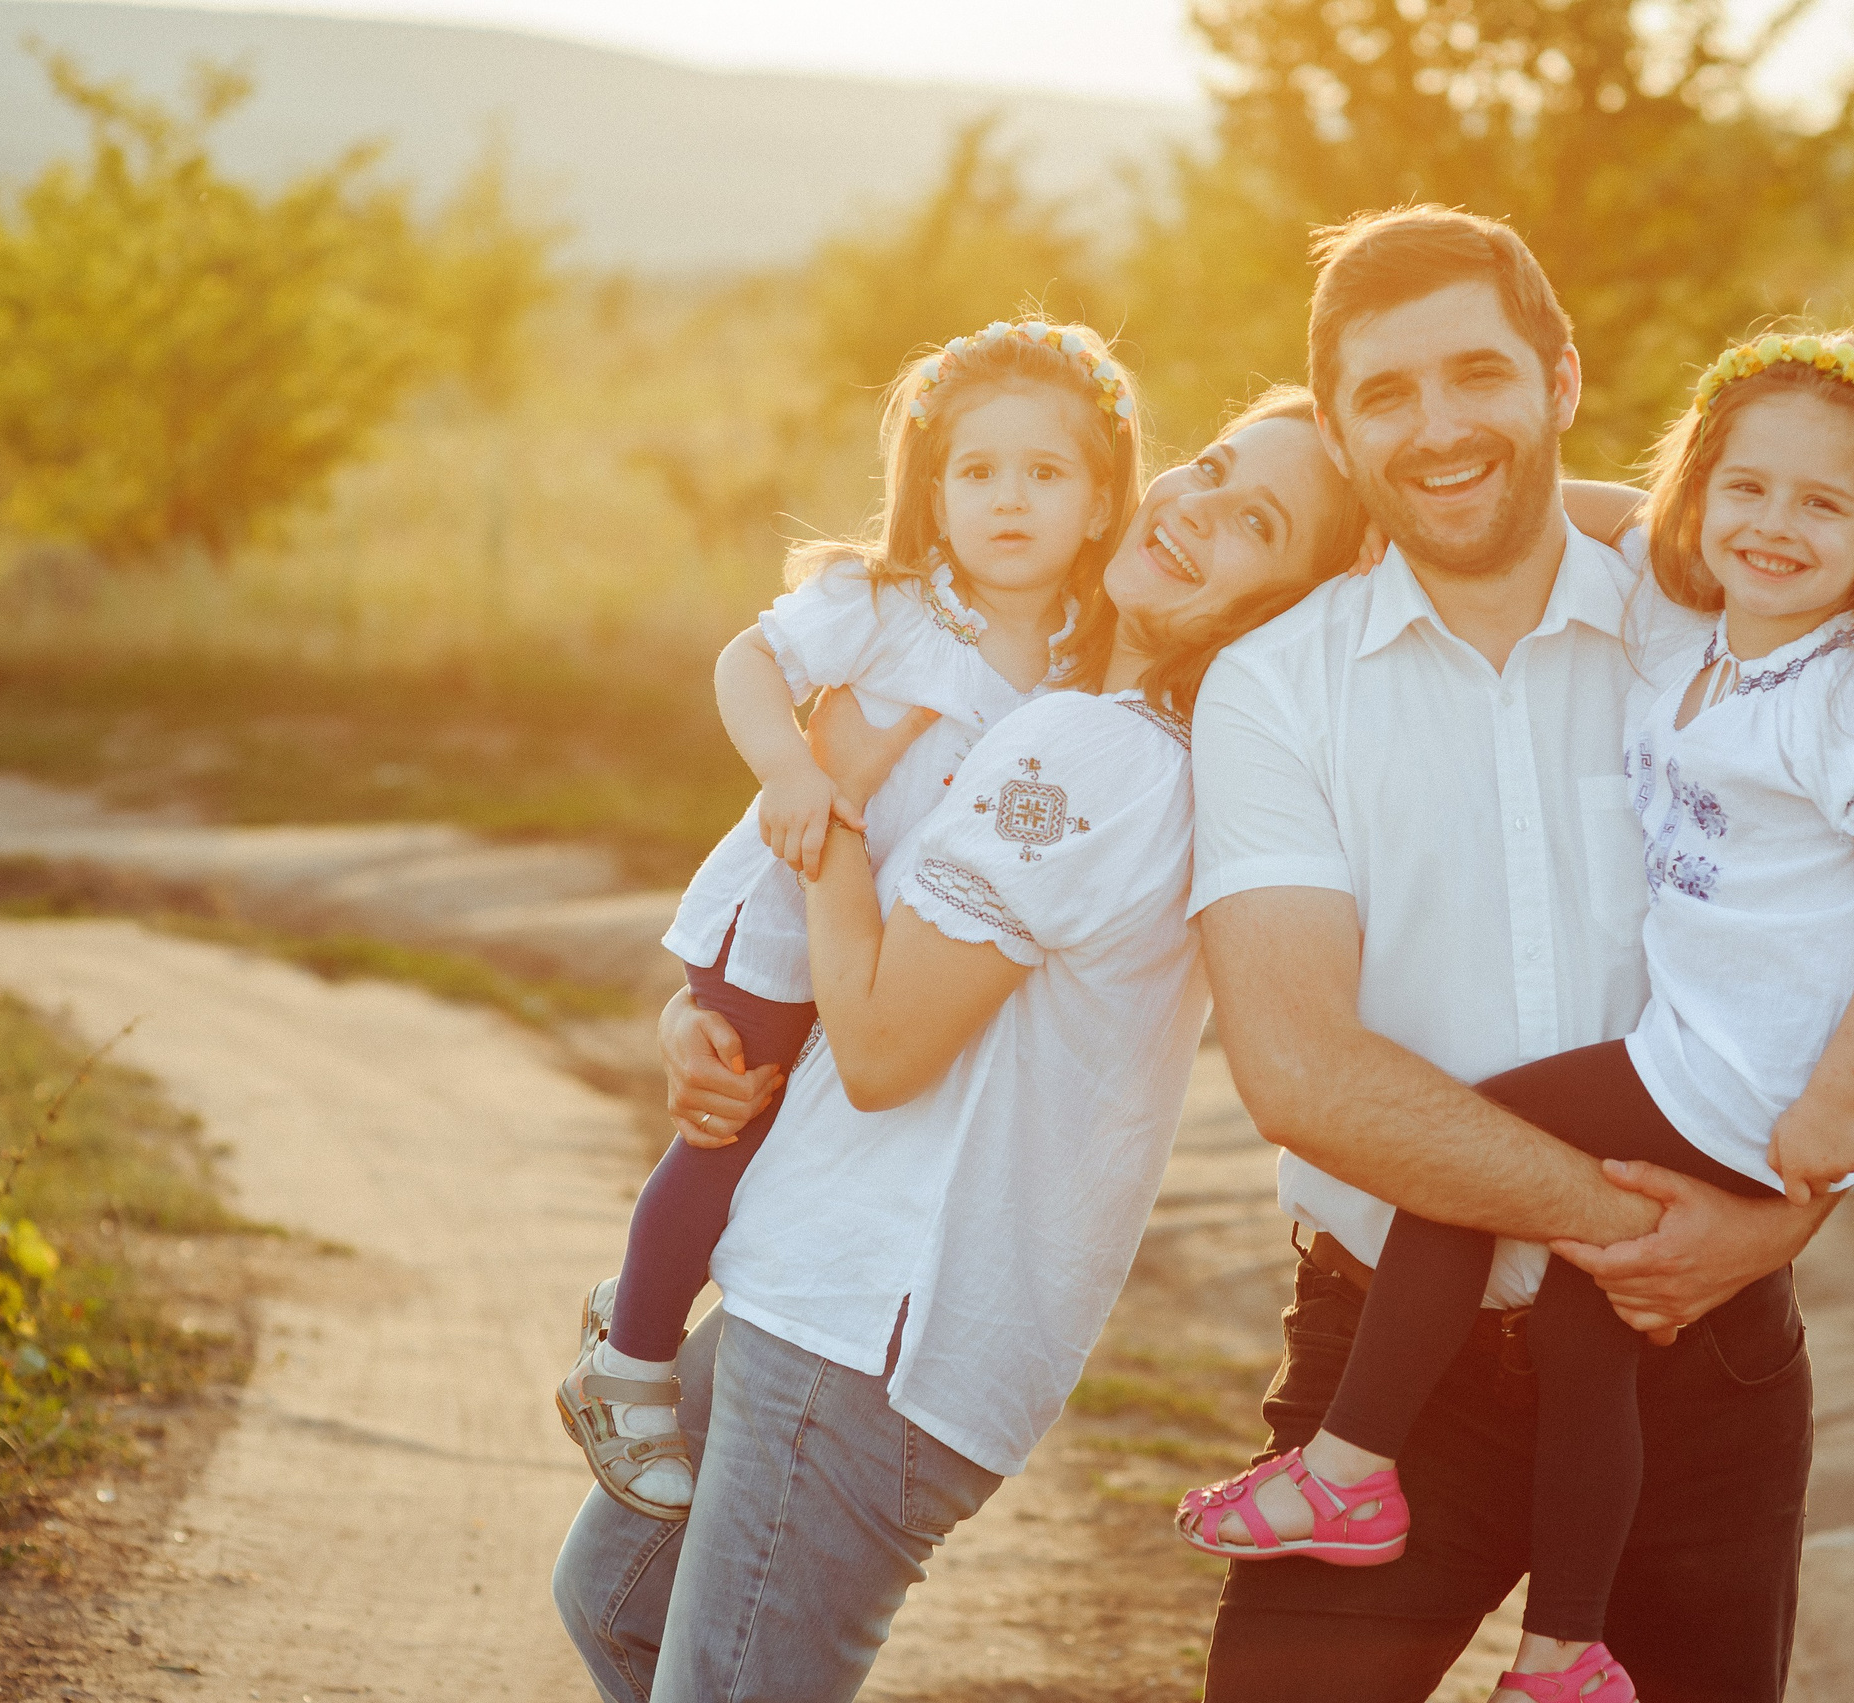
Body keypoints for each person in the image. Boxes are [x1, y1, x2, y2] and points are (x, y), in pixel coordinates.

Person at [1178, 328, 1854, 1702]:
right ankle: (1546, 1637)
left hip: (1706, 1335)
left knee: (1476, 1137)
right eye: (1389, 393)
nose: (1441, 422)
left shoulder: (1751, 649)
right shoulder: (1289, 680)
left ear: (1562, 382)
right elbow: (1304, 1075)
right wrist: (1666, 1228)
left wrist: (1783, 1198)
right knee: (1524, 1261)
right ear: (1338, 425)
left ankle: (1366, 1490)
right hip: (1419, 1322)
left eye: (1478, 374)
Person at [551, 386, 1372, 1703]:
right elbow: (854, 991)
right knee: (613, 1601)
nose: (1197, 503)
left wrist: (833, 801)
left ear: (1288, 605)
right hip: (814, 1275)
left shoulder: (1094, 758)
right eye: (1211, 465)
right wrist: (721, 1001)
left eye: (1257, 520)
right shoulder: (1069, 718)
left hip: (877, 1321)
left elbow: (881, 1043)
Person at [555, 316, 1141, 1518]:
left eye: (1045, 472)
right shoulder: (887, 604)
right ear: (932, 490)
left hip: (887, 953)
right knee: (732, 1134)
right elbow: (744, 662)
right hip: (793, 907)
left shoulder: (1091, 653)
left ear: (1098, 501)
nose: (1008, 500)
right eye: (975, 472)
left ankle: (639, 1298)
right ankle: (629, 1363)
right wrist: (792, 772)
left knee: (795, 1156)